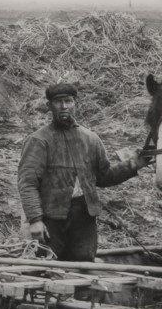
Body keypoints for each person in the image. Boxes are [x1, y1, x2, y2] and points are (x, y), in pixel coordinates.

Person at [15, 81, 153, 262]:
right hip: (51, 219)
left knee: (84, 265)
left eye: (68, 101)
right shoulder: (39, 141)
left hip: (83, 217)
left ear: (75, 103)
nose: (64, 107)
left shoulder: (91, 139)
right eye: (58, 102)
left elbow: (104, 177)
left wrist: (135, 164)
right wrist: (35, 219)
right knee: (47, 267)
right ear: (49, 106)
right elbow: (27, 183)